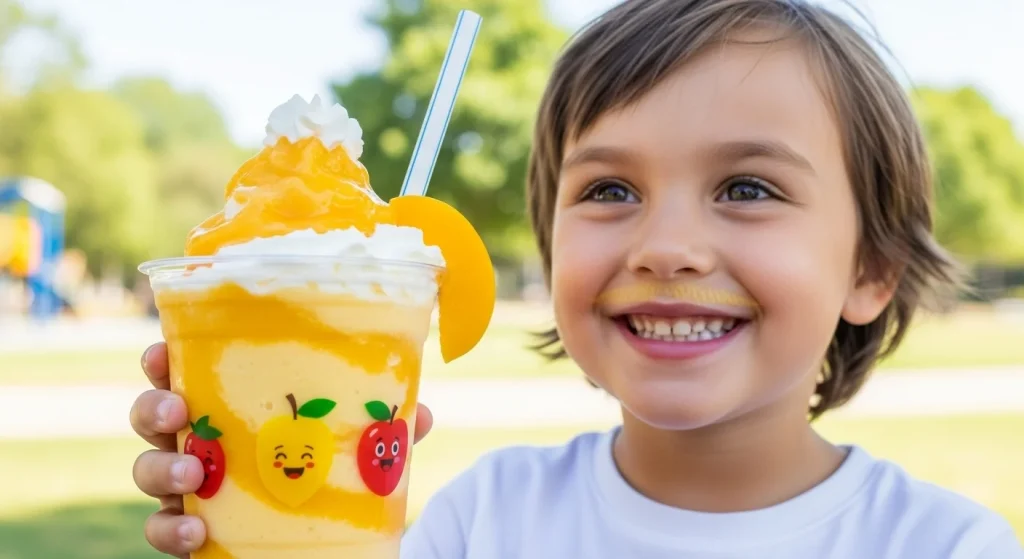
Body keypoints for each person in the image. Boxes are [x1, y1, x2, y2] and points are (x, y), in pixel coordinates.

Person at [128, 0, 1024, 557]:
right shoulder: (479, 524)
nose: (665, 245)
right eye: (609, 189)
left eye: (747, 187)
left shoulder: (944, 546)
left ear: (870, 270)